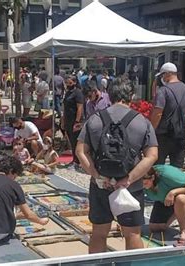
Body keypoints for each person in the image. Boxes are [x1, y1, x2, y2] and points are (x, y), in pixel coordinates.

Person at [76, 79, 158, 253]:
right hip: (131, 187)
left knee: (98, 233)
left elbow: (80, 152)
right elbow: (152, 156)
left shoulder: (95, 119)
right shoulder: (141, 122)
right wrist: (129, 179)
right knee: (133, 234)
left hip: (101, 185)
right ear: (131, 96)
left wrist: (97, 176)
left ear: (110, 94)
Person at [143, 165, 185, 246]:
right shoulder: (139, 183)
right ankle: (179, 214)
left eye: (145, 183)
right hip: (163, 199)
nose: (143, 186)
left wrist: (173, 192)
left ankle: (183, 231)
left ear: (153, 178)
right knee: (155, 228)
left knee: (180, 198)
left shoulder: (166, 174)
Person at [150, 62, 185, 168]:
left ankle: (159, 185)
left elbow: (158, 113)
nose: (162, 78)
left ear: (168, 74)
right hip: (181, 134)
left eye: (162, 75)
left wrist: (151, 131)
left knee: (157, 167)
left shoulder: (163, 91)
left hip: (163, 135)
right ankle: (176, 185)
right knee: (177, 169)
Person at [62, 75, 85, 168]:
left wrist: (77, 121)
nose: (68, 84)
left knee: (76, 141)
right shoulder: (67, 93)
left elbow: (80, 107)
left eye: (70, 83)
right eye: (67, 83)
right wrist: (63, 120)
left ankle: (77, 161)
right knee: (71, 141)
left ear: (75, 82)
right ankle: (74, 159)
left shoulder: (78, 93)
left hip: (74, 120)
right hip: (68, 119)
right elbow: (64, 107)